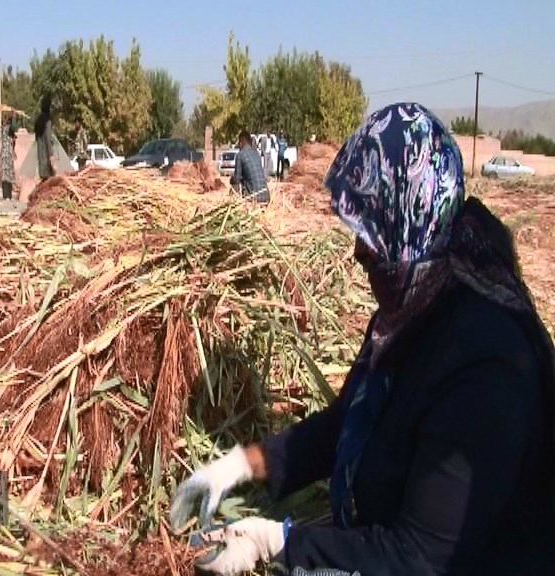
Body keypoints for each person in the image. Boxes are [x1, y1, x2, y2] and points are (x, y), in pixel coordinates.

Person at [170, 103, 555, 575]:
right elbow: (346, 425)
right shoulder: (412, 308)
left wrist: (279, 542)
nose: (356, 253)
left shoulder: (484, 368)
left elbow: (418, 560)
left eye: (369, 233)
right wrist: (243, 465)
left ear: (406, 224)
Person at [230, 130, 269, 205]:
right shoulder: (256, 153)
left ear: (241, 143)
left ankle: (233, 205)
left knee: (235, 185)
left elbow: (236, 179)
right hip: (266, 197)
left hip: (254, 198)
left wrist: (231, 180)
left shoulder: (240, 155)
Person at [34, 95, 56, 181]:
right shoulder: (47, 121)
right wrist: (51, 157)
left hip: (41, 159)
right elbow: (48, 139)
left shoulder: (38, 120)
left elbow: (36, 138)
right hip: (47, 161)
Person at [0, 113, 17, 200]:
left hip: (7, 155)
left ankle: (8, 195)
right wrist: (14, 117)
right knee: (6, 176)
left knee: (8, 176)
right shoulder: (7, 128)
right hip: (6, 155)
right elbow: (13, 127)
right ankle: (6, 196)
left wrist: (14, 151)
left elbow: (13, 142)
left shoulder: (9, 131)